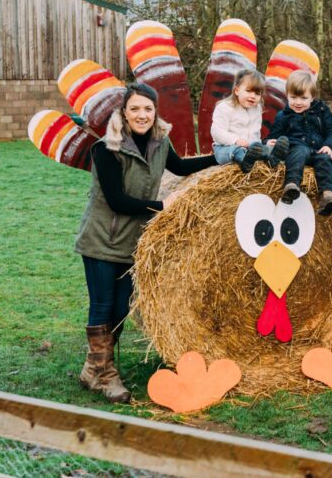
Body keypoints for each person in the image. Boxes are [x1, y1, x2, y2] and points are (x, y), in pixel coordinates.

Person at [75, 83, 217, 403]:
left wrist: (219, 158)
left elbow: (180, 167)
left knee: (122, 308)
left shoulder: (158, 143)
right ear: (124, 113)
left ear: (156, 113)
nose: (142, 115)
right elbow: (117, 201)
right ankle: (105, 375)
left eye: (148, 109)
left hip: (132, 243)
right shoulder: (106, 148)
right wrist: (163, 207)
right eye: (135, 109)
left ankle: (92, 368)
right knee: (103, 306)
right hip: (101, 240)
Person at [265, 70, 332, 215]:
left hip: (317, 150)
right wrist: (269, 142)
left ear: (312, 97)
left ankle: (327, 196)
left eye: (304, 98)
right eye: (293, 97)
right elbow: (273, 136)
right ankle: (291, 185)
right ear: (287, 95)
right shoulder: (283, 116)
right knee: (301, 151)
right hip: (296, 150)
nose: (298, 102)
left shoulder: (322, 111)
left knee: (325, 159)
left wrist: (329, 146)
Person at [211, 69, 289, 173]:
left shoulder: (257, 109)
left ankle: (272, 157)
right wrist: (236, 140)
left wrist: (263, 144)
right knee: (238, 150)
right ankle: (245, 162)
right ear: (237, 91)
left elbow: (254, 134)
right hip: (225, 149)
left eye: (257, 93)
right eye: (248, 91)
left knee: (264, 147)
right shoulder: (225, 108)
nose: (253, 96)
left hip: (249, 149)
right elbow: (217, 132)